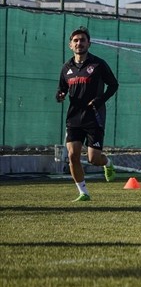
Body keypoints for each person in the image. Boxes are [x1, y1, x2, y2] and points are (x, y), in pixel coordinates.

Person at [55, 27, 119, 201]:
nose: (79, 43)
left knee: (93, 159)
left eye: (82, 40)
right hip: (74, 118)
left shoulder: (98, 64)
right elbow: (61, 90)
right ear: (70, 45)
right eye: (75, 40)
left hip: (94, 117)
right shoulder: (66, 68)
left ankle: (107, 163)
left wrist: (100, 100)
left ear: (88, 43)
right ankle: (83, 192)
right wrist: (60, 96)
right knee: (72, 155)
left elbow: (113, 85)